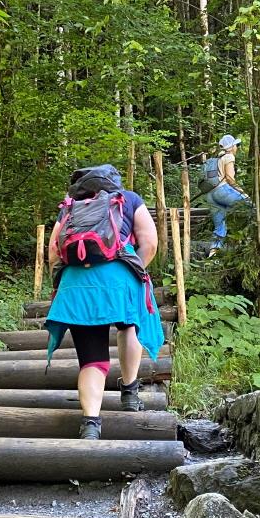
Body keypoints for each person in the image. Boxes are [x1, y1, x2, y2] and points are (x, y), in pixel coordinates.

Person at [44, 164, 165, 439]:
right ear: (114, 181)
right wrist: (137, 271)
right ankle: (130, 393)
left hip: (76, 285)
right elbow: (151, 242)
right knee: (128, 327)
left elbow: (54, 249)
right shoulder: (129, 199)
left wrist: (61, 280)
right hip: (120, 278)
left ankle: (90, 424)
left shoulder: (70, 206)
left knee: (92, 360)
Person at [204, 133, 250, 252]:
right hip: (222, 191)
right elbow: (229, 178)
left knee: (219, 228)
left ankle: (213, 256)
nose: (237, 148)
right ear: (231, 147)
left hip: (211, 195)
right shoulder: (229, 157)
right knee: (251, 207)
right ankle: (251, 241)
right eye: (236, 145)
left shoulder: (219, 158)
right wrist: (242, 192)